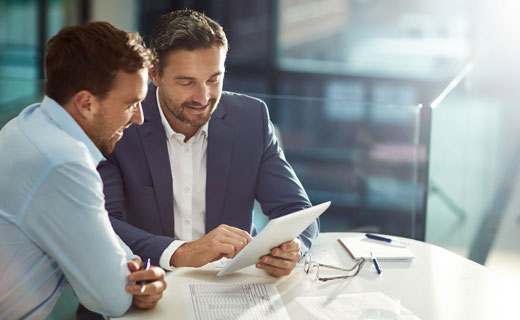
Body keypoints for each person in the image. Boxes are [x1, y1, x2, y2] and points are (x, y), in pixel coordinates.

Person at [98, 9, 319, 278]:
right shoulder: (122, 124)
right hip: (149, 280)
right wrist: (180, 252)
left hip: (230, 284)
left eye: (214, 79)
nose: (203, 97)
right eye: (187, 82)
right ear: (154, 75)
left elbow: (296, 210)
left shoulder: (251, 119)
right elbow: (103, 222)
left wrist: (292, 247)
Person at [0, 22, 167, 319]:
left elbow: (107, 243)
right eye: (132, 104)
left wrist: (134, 271)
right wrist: (134, 280)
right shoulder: (63, 163)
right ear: (86, 103)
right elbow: (113, 299)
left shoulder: (28, 124)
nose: (140, 118)